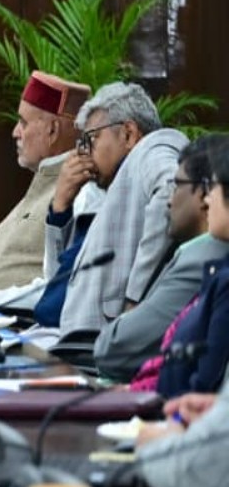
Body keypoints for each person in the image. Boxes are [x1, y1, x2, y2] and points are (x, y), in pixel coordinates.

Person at [43, 83, 185, 343]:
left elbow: (171, 189)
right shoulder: (109, 190)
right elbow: (56, 285)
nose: (84, 152)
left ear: (129, 134)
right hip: (73, 342)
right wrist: (60, 207)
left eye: (91, 139)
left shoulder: (152, 150)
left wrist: (134, 298)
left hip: (102, 348)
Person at [95, 135, 229, 382]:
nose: (169, 200)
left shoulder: (201, 261)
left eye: (177, 185)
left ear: (204, 193)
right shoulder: (190, 251)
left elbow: (114, 349)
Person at [0, 72, 89, 293]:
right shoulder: (46, 175)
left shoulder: (74, 188)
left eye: (23, 123)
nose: (15, 133)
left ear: (53, 130)